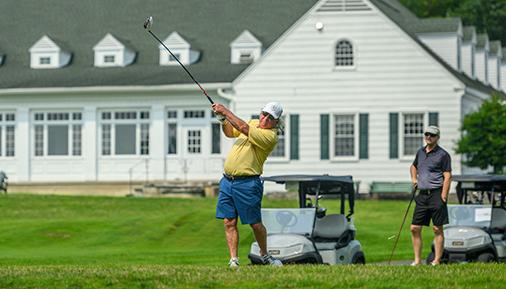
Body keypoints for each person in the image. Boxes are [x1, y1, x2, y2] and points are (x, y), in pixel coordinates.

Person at [212, 101, 283, 268]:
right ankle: (234, 260)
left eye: (270, 117)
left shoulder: (270, 136)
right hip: (227, 181)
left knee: (255, 224)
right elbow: (230, 133)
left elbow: (243, 128)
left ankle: (265, 255)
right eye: (264, 114)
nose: (265, 119)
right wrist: (223, 120)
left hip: (248, 183)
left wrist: (226, 111)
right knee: (229, 221)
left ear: (276, 122)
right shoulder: (252, 123)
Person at [410, 126, 452, 265]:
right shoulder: (420, 152)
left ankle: (437, 260)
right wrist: (414, 180)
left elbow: (447, 176)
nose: (428, 137)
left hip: (436, 194)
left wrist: (443, 196)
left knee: (437, 228)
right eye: (427, 134)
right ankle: (417, 261)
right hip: (422, 195)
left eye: (432, 135)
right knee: (414, 228)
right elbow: (413, 166)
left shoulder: (443, 155)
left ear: (437, 138)